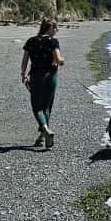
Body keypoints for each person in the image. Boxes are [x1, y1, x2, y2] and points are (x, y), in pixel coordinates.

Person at [21, 18, 65, 149]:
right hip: (51, 76)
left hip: (36, 75)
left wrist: (23, 74)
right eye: (56, 28)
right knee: (46, 106)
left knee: (37, 106)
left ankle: (45, 130)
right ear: (50, 28)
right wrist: (62, 61)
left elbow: (25, 60)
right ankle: (44, 133)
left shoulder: (31, 41)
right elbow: (58, 59)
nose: (57, 30)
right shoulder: (53, 41)